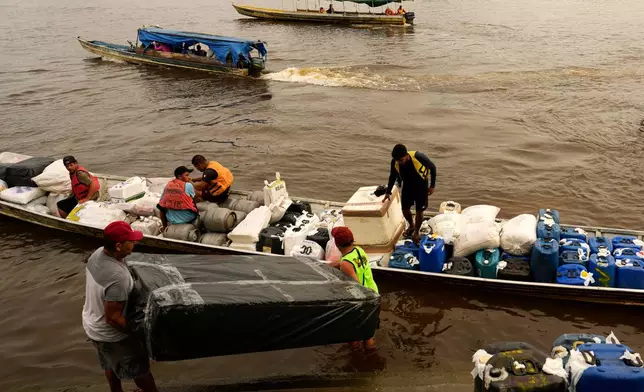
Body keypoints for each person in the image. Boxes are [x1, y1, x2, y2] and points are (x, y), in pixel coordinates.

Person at [82, 221, 159, 392]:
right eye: (130, 241)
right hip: (111, 334)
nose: (134, 243)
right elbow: (113, 318)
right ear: (118, 245)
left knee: (109, 363)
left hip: (92, 324)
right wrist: (140, 335)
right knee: (140, 370)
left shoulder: (97, 254)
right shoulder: (118, 277)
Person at [330, 226, 378, 351]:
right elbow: (346, 262)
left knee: (353, 333)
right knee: (368, 331)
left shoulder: (345, 263)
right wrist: (326, 267)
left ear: (337, 244)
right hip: (373, 292)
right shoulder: (358, 250)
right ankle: (371, 358)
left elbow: (355, 284)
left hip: (362, 298)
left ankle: (356, 357)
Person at [383, 144, 436, 244]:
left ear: (407, 155)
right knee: (405, 209)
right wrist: (388, 192)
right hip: (407, 186)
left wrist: (432, 186)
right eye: (398, 160)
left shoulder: (418, 157)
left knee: (419, 210)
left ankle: (416, 232)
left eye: (401, 160)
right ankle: (411, 226)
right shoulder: (395, 162)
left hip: (421, 187)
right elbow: (392, 176)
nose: (400, 162)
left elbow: (433, 168)